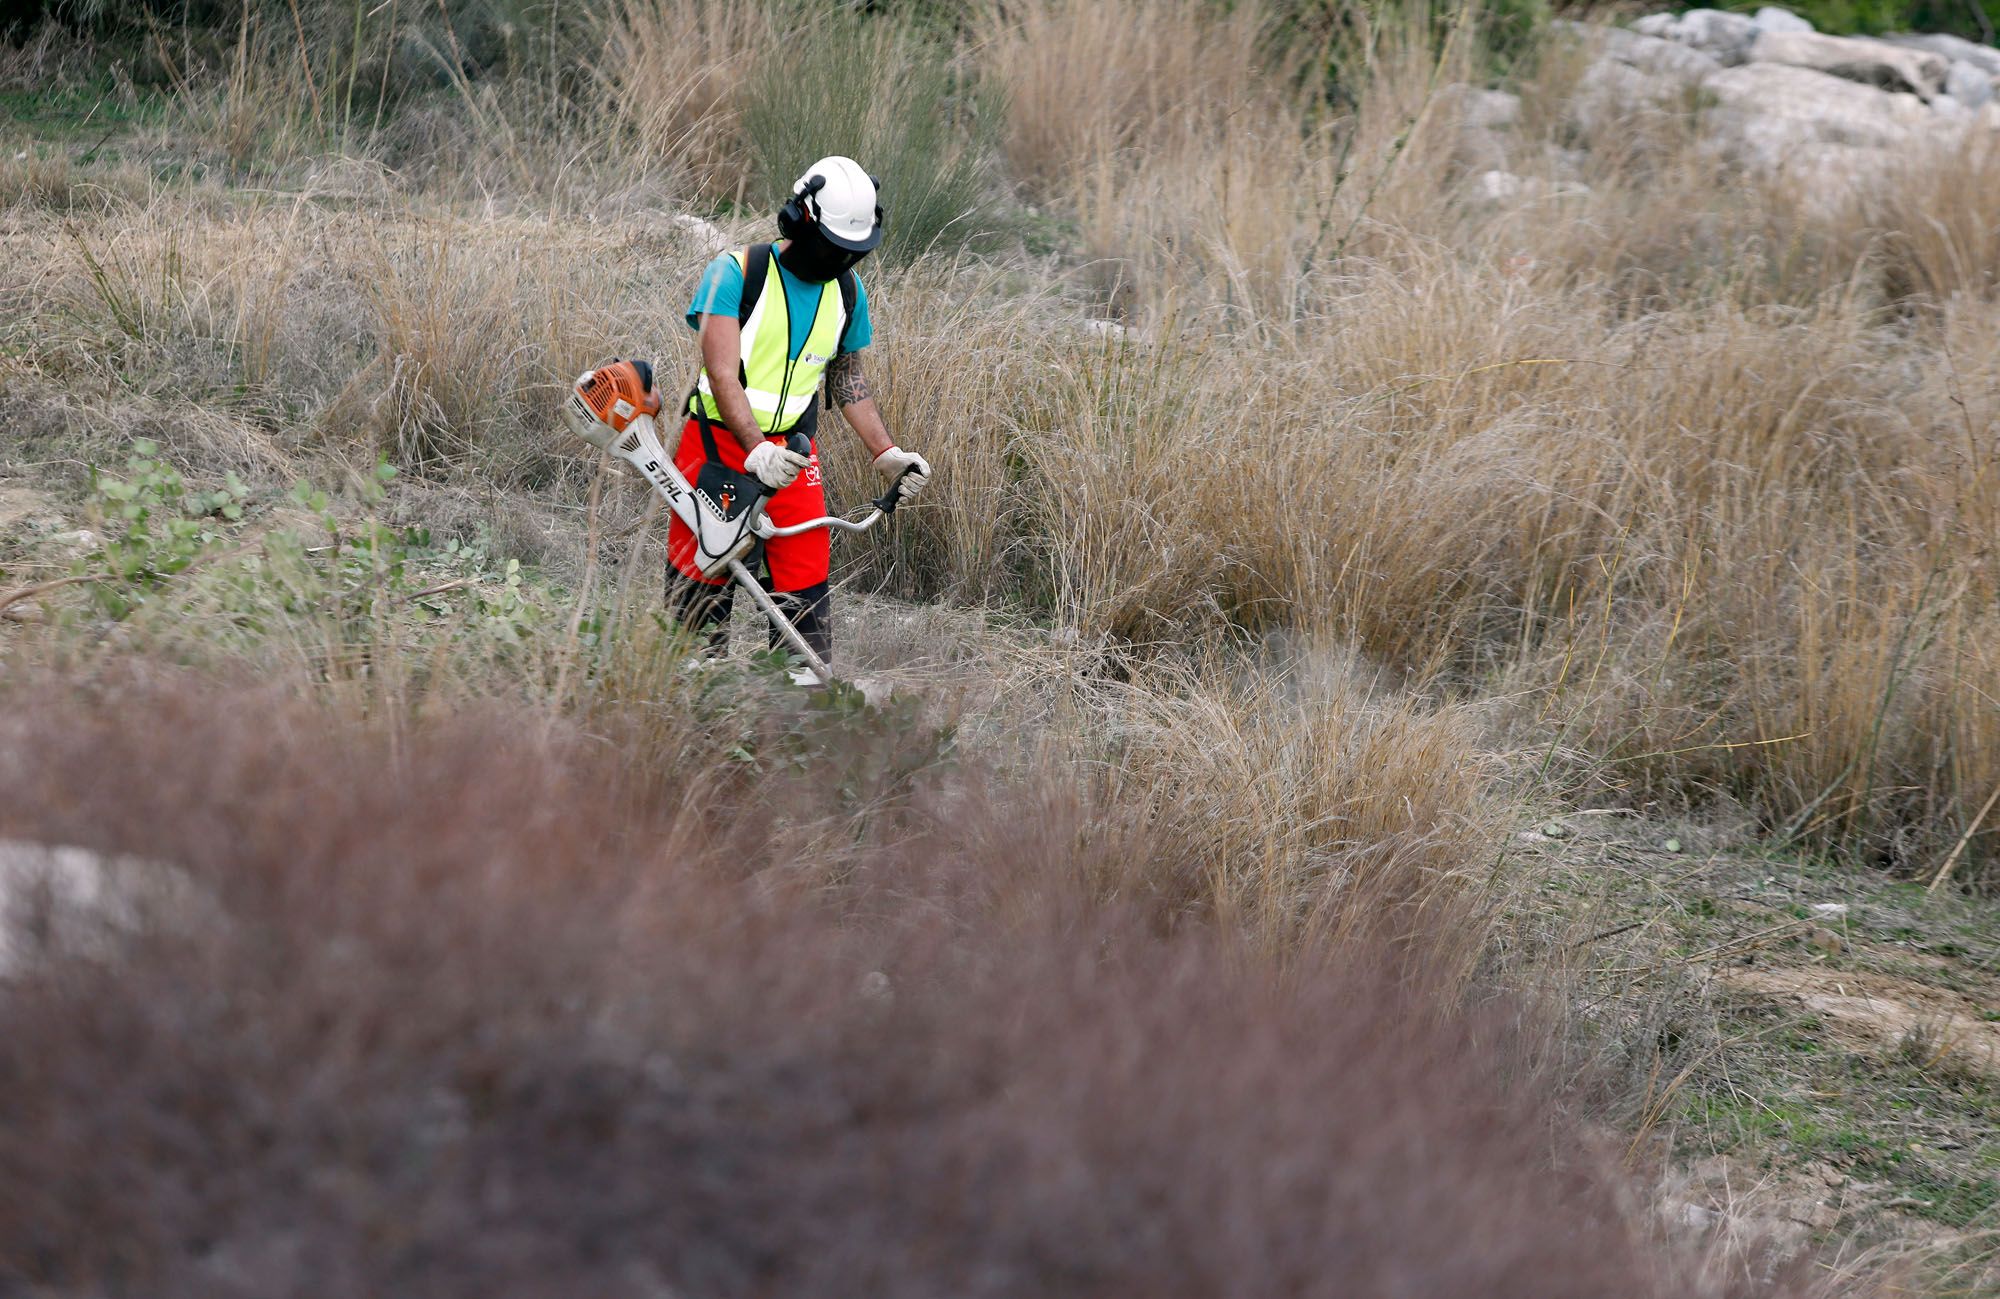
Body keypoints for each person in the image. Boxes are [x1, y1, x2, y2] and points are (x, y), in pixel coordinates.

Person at [664, 155, 930, 679]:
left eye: (853, 252)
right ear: (800, 221)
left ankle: (798, 707)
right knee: (704, 572)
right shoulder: (737, 274)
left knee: (805, 580)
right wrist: (755, 447)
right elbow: (721, 374)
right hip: (716, 444)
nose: (842, 262)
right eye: (834, 248)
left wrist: (885, 452)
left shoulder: (848, 294)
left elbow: (847, 379)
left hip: (792, 455)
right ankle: (692, 693)